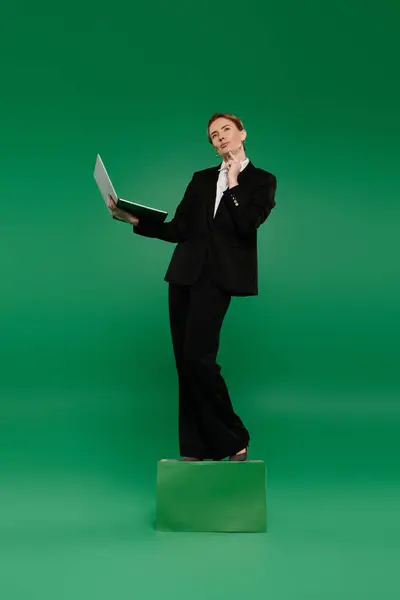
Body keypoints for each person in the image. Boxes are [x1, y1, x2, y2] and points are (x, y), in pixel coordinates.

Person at [107, 112, 277, 462]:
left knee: (199, 359)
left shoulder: (261, 181)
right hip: (183, 277)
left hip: (219, 279)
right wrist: (134, 219)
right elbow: (178, 229)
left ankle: (235, 435)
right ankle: (195, 447)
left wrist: (232, 183)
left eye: (226, 130)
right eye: (214, 135)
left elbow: (247, 224)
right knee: (184, 364)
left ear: (242, 133)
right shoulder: (200, 179)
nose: (220, 138)